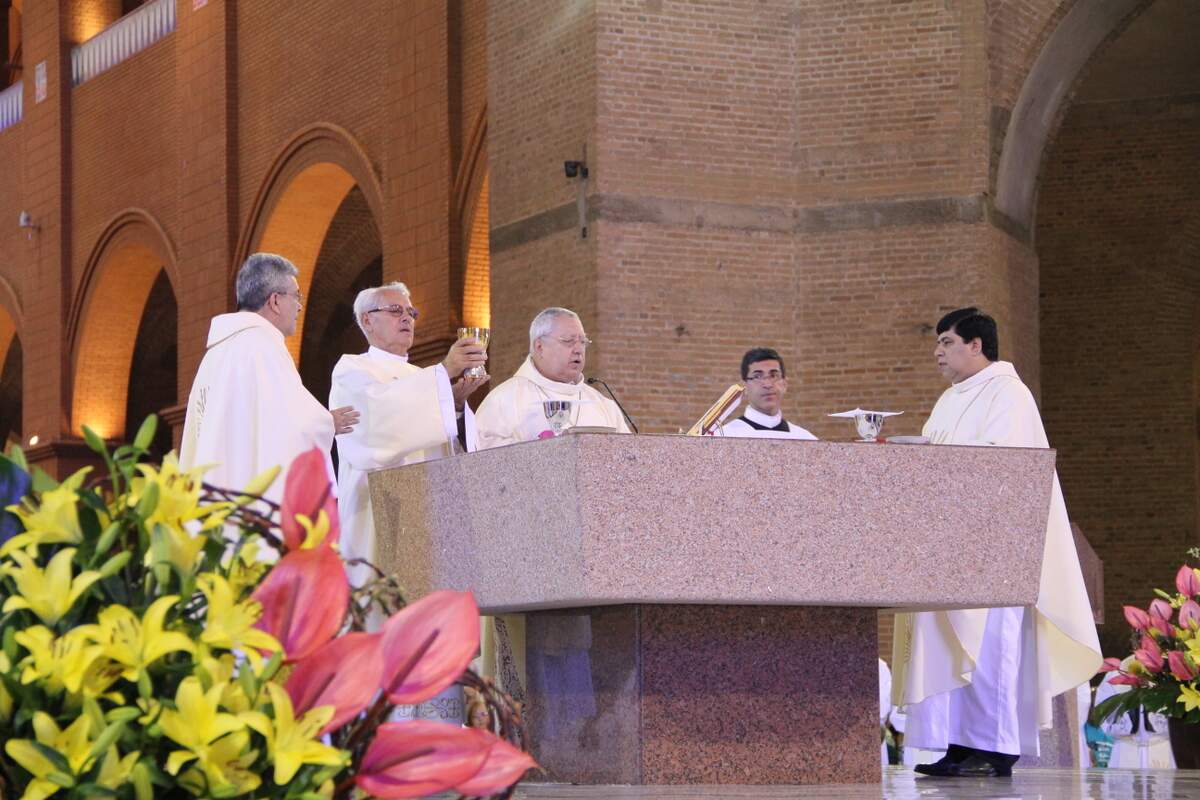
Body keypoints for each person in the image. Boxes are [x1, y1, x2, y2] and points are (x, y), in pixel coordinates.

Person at [891, 307, 1101, 777]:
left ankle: (996, 745)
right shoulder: (949, 400)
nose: (937, 351)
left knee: (988, 648)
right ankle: (958, 743)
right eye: (938, 342)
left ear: (976, 345)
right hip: (948, 546)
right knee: (951, 645)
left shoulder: (1009, 394)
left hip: (994, 548)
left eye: (946, 341)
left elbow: (1005, 468)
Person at [329, 281, 488, 588]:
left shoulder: (422, 378)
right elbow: (376, 425)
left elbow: (445, 446)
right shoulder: (351, 369)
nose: (406, 318)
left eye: (410, 313)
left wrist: (455, 405)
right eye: (394, 310)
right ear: (367, 320)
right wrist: (444, 370)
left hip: (426, 512)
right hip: (377, 510)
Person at [180, 253, 358, 502]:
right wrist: (328, 424)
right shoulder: (263, 346)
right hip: (251, 500)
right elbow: (290, 425)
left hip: (217, 497)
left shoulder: (215, 354)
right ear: (275, 301)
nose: (299, 306)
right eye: (296, 296)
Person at [474, 307, 631, 447]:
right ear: (540, 347)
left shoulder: (603, 405)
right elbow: (482, 456)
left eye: (583, 341)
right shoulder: (504, 400)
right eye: (569, 341)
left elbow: (629, 456)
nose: (578, 350)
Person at [720, 347, 817, 439]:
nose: (768, 384)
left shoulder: (805, 439)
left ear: (784, 384)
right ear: (744, 386)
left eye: (773, 375)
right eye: (757, 376)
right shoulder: (725, 437)